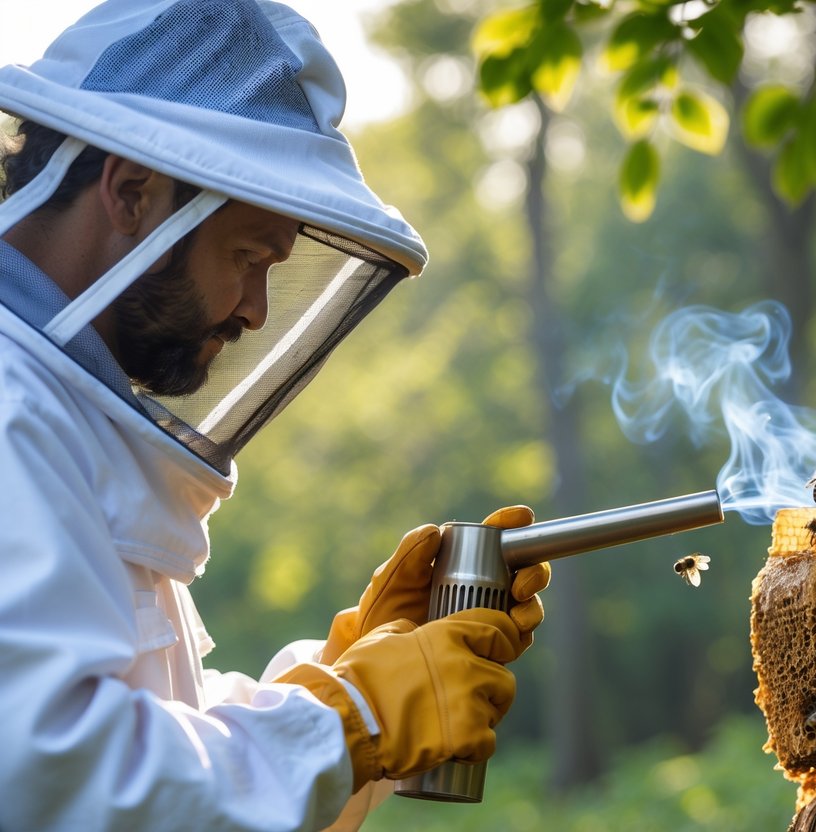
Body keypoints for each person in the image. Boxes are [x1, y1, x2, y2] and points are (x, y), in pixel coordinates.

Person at [0, 1, 551, 829]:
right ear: (132, 192)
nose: (257, 310)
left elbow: (147, 725)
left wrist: (350, 671)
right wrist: (350, 718)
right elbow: (52, 778)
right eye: (248, 257)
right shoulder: (11, 413)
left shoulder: (54, 409)